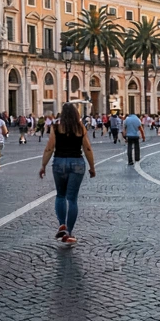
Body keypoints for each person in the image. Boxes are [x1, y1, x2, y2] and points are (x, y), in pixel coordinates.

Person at [39, 102, 97, 246]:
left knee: (60, 195)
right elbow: (87, 148)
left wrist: (43, 166)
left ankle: (62, 225)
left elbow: (49, 148)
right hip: (77, 162)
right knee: (72, 199)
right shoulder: (80, 128)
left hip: (59, 162)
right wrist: (92, 167)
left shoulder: (56, 127)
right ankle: (69, 232)